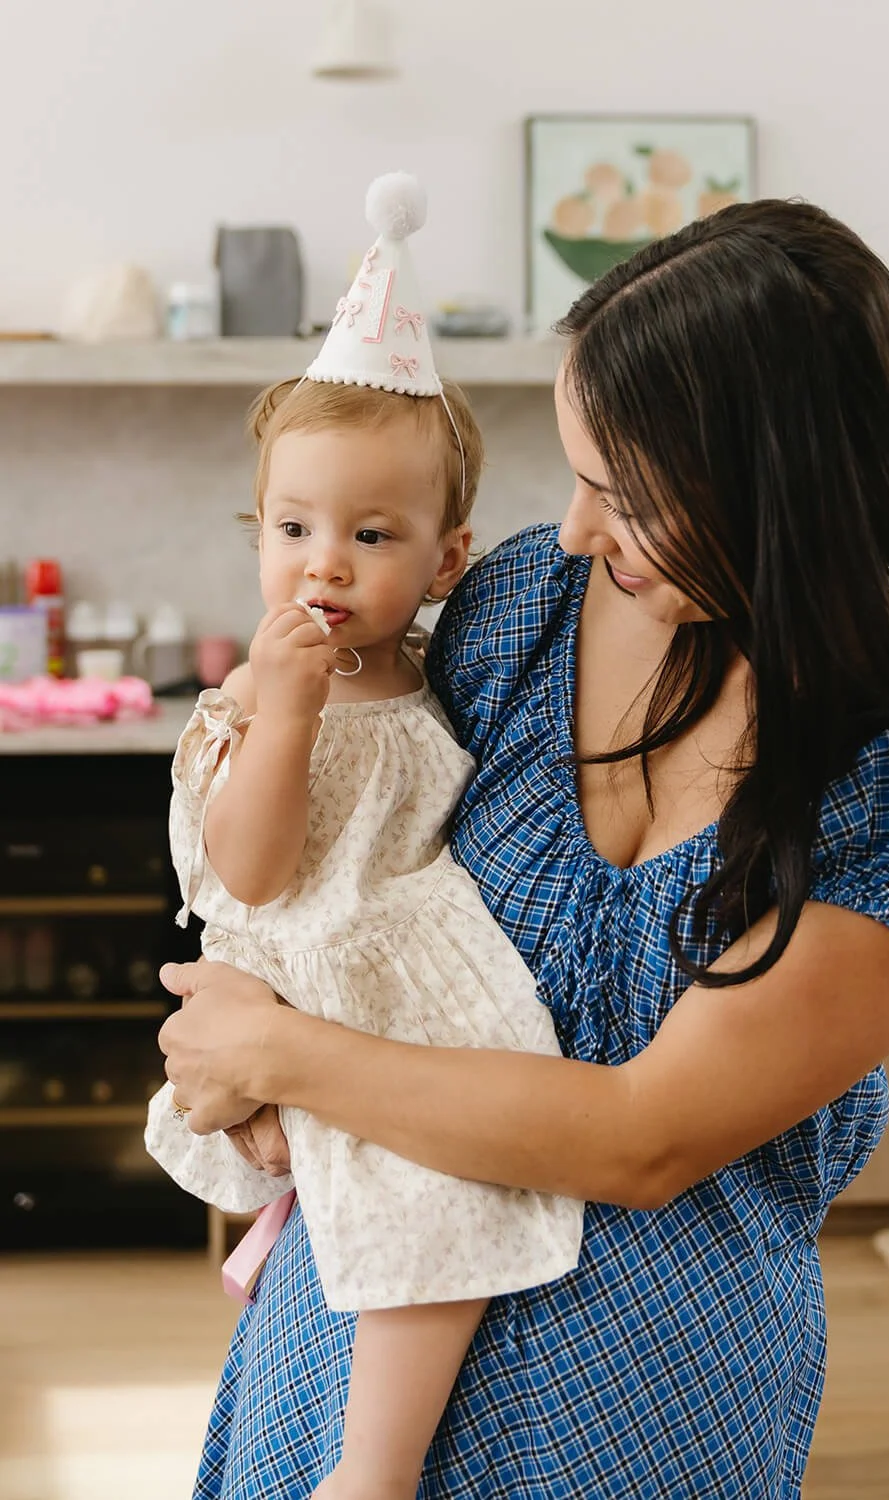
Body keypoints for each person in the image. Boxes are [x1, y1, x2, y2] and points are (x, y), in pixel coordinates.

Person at [157, 197, 889, 1500]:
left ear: (782, 495)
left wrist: (285, 1053)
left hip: (641, 1423)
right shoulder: (519, 614)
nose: (574, 531)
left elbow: (645, 1138)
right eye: (576, 476)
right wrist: (253, 1067)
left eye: (626, 496)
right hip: (344, 1371)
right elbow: (337, 873)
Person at [144, 174, 583, 1500]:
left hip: (414, 961)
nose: (323, 566)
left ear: (446, 563)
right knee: (415, 1193)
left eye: (369, 535)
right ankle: (370, 1465)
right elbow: (251, 868)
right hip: (313, 956)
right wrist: (278, 717)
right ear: (257, 527)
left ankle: (372, 1451)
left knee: (454, 1200)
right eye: (293, 529)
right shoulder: (255, 698)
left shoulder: (443, 658)